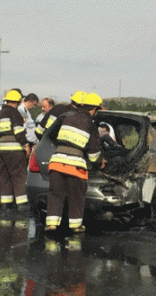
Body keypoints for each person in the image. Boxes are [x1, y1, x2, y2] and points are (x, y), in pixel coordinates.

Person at [44, 92, 103, 233]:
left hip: (56, 161)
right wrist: (100, 162)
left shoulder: (67, 117)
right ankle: (75, 226)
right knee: (76, 195)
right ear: (93, 109)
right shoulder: (91, 125)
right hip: (75, 165)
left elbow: (51, 134)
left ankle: (51, 224)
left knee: (55, 194)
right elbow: (93, 154)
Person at [0, 90, 31, 211]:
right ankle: (22, 205)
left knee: (4, 177)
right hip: (15, 150)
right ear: (18, 101)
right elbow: (19, 132)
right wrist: (26, 145)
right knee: (19, 176)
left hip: (2, 151)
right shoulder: (15, 114)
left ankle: (5, 204)